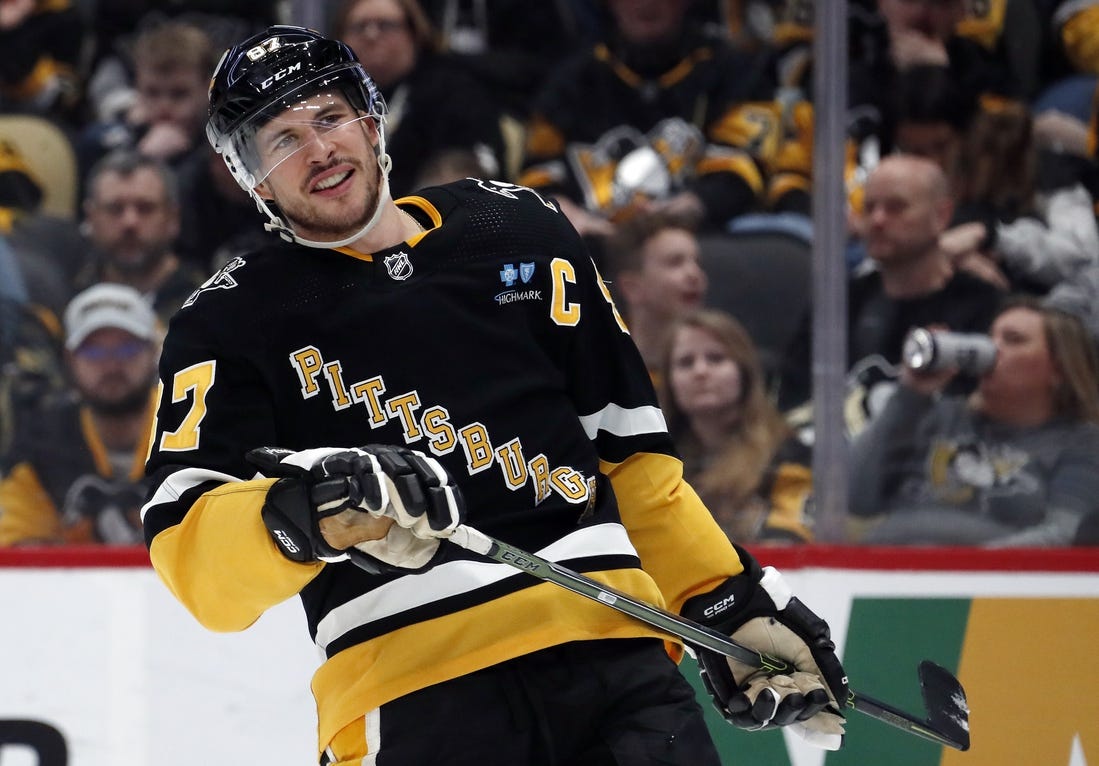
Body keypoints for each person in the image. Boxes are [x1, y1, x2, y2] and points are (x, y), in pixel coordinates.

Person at [140, 25, 848, 765]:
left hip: (616, 672)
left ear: (372, 118)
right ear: (250, 180)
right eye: (280, 141)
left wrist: (725, 600)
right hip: (411, 700)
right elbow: (192, 562)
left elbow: (632, 463)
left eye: (327, 118)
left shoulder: (517, 229)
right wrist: (307, 516)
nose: (316, 151)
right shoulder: (226, 323)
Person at [848, 296, 1099, 546]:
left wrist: (960, 572)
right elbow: (854, 497)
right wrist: (910, 393)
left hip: (991, 580)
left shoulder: (1080, 444)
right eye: (991, 337)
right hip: (888, 570)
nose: (992, 349)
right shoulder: (935, 414)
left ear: (1059, 370)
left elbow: (1062, 536)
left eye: (1013, 340)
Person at [518, 0, 777, 242]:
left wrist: (695, 205)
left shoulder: (734, 74)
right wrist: (563, 213)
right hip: (592, 251)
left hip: (700, 243)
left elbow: (744, 169)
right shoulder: (570, 81)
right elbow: (536, 174)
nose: (645, 3)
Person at [779, 154, 1003, 416]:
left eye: (896, 207)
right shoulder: (837, 302)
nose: (877, 221)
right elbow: (793, 399)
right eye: (869, 208)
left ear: (941, 216)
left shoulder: (983, 306)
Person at [0, 283, 160, 546]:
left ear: (154, 352)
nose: (111, 364)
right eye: (93, 351)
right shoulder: (39, 444)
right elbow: (20, 546)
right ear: (70, 359)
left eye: (127, 349)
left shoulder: (194, 431)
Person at [658, 308, 813, 544]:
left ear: (745, 372)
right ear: (670, 382)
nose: (700, 371)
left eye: (716, 359)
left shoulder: (787, 456)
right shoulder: (658, 463)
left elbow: (791, 540)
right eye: (685, 363)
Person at [330, 0, 506, 199]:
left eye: (385, 25)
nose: (371, 35)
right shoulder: (330, 101)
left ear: (414, 35)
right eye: (359, 27)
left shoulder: (453, 90)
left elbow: (467, 174)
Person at [74, 150, 206, 326]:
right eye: (115, 209)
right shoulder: (68, 300)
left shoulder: (207, 303)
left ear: (172, 218)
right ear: (90, 218)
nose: (130, 222)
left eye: (145, 208)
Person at [604, 210, 707, 383]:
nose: (695, 274)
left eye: (697, 262)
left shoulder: (719, 364)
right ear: (632, 288)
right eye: (675, 262)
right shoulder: (602, 369)